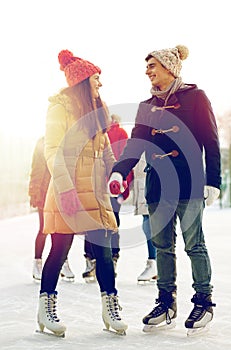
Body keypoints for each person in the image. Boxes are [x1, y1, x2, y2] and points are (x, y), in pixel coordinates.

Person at [108, 45, 221, 334]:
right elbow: (135, 144)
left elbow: (211, 140)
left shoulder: (196, 97)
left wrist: (213, 181)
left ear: (169, 67)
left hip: (190, 182)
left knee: (194, 244)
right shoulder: (146, 107)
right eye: (146, 66)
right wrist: (120, 170)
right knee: (162, 247)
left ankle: (203, 301)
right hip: (158, 186)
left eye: (152, 65)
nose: (147, 71)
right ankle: (166, 301)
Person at [37, 49, 127, 337]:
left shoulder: (98, 109)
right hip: (69, 188)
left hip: (95, 191)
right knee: (60, 249)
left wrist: (115, 175)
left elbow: (106, 149)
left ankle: (110, 309)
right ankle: (45, 310)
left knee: (103, 250)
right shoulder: (60, 107)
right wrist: (65, 189)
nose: (101, 84)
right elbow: (52, 150)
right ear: (83, 80)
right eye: (97, 78)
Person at [82, 114, 133, 281]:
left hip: (112, 186)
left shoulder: (121, 134)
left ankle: (111, 257)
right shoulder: (95, 132)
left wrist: (124, 184)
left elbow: (124, 161)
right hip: (95, 185)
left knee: (112, 221)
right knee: (92, 221)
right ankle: (92, 259)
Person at [29, 136, 74, 282]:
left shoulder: (67, 141)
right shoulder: (42, 142)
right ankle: (37, 262)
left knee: (62, 229)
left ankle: (63, 262)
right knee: (44, 228)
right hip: (44, 192)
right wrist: (34, 192)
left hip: (61, 191)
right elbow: (36, 169)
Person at [132, 154, 157, 284]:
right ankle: (153, 262)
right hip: (142, 181)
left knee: (152, 225)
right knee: (147, 225)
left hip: (154, 181)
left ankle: (155, 262)